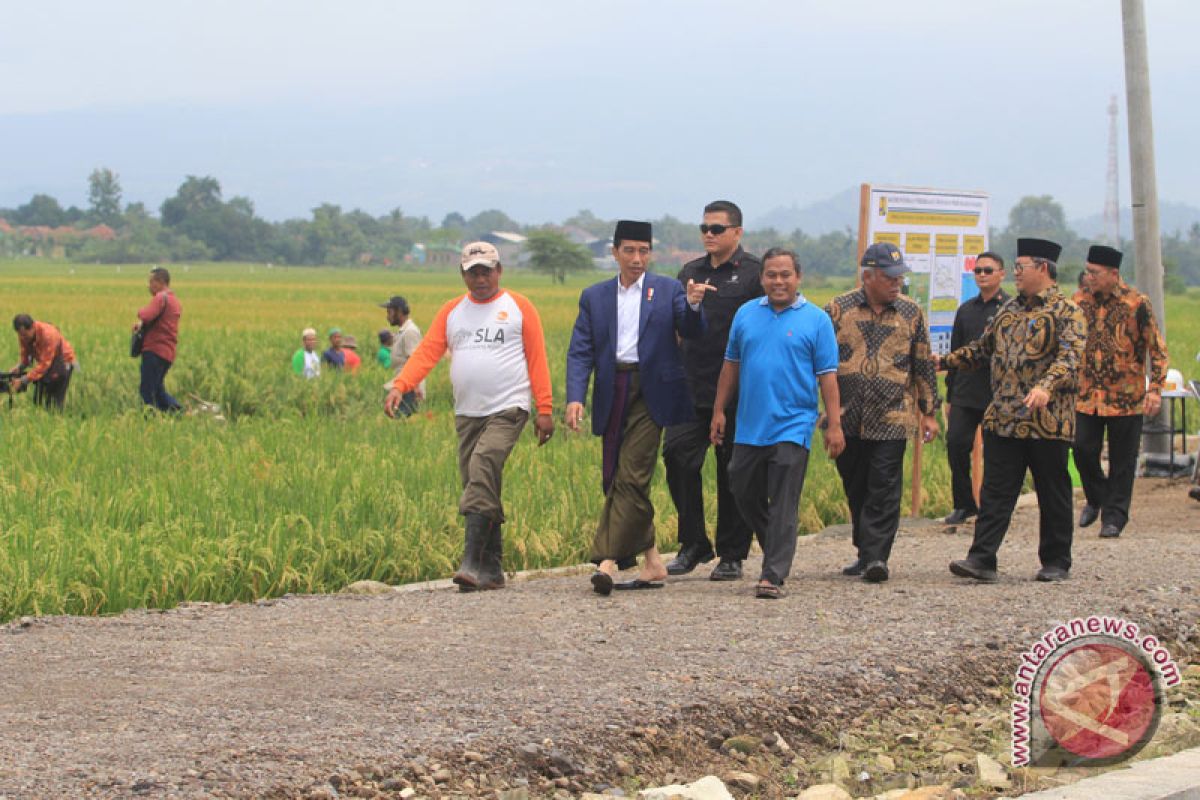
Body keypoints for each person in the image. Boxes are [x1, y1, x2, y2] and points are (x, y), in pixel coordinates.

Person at [385, 241, 554, 591]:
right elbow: (427, 352)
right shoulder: (452, 312)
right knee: (478, 482)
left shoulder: (518, 307)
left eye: (486, 271)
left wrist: (545, 408)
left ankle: (470, 561)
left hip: (509, 407)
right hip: (467, 412)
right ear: (462, 274)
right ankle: (492, 569)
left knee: (482, 468)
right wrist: (401, 385)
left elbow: (537, 358)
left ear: (499, 271)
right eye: (473, 272)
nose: (480, 278)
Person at [565, 220, 709, 595]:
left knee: (632, 474)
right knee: (614, 475)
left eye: (644, 251)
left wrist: (693, 305)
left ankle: (608, 561)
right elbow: (580, 350)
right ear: (614, 253)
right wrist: (576, 396)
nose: (637, 258)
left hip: (652, 391)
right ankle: (652, 561)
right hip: (613, 387)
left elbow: (691, 330)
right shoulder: (594, 296)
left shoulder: (667, 290)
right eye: (629, 250)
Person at [944, 238, 1086, 583]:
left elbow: (1071, 357)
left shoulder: (1067, 312)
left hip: (1047, 422)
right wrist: (944, 361)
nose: (1017, 274)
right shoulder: (1008, 311)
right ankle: (982, 559)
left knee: (1052, 491)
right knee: (995, 492)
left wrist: (1045, 387)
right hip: (1004, 419)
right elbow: (982, 349)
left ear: (1042, 268)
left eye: (1020, 267)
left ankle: (1055, 561)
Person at [710, 248, 842, 598]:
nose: (778, 281)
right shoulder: (746, 314)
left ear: (798, 278)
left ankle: (773, 575)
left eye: (785, 274)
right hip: (750, 424)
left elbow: (828, 376)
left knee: (784, 498)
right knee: (740, 484)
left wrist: (834, 423)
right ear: (762, 278)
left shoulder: (816, 320)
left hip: (794, 423)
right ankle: (777, 544)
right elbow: (730, 366)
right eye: (771, 274)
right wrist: (719, 410)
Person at [825, 242, 940, 583]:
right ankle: (865, 551)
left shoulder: (911, 312)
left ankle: (877, 557)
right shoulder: (836, 309)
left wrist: (928, 411)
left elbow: (923, 363)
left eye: (900, 277)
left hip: (893, 416)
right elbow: (817, 362)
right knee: (856, 484)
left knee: (884, 486)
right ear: (868, 276)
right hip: (847, 417)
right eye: (889, 278)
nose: (896, 284)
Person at [664, 200, 763, 581]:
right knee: (677, 457)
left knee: (733, 472)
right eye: (704, 227)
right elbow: (676, 323)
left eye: (717, 228)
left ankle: (732, 552)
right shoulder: (690, 271)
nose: (709, 234)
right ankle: (693, 543)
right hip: (691, 386)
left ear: (737, 233)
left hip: (738, 391)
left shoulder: (753, 274)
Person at [1073, 244, 1168, 538]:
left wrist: (1155, 389)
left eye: (1095, 273)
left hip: (1125, 398)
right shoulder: (1078, 302)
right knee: (1082, 449)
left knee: (1122, 460)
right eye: (1087, 272)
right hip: (1086, 396)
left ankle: (1114, 517)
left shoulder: (1136, 303)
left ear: (1113, 274)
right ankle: (1097, 496)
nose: (1089, 278)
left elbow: (1158, 350)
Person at [943, 252, 1009, 524]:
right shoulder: (966, 310)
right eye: (978, 270)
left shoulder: (1009, 309)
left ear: (1001, 274)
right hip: (965, 392)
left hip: (996, 394)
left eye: (988, 270)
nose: (982, 275)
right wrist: (950, 394)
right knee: (956, 445)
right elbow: (954, 353)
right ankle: (964, 504)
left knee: (997, 455)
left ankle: (992, 507)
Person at [134, 266, 182, 412]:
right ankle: (175, 415)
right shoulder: (175, 300)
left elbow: (146, 315)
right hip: (167, 352)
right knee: (158, 390)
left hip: (155, 350)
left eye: (151, 282)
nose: (149, 286)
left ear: (160, 282)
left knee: (147, 391)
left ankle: (152, 418)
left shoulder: (161, 297)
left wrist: (140, 312)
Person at [10, 314, 77, 410]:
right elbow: (26, 358)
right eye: (20, 335)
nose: (22, 338)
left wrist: (23, 380)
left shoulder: (48, 335)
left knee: (53, 401)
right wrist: (19, 368)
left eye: (24, 334)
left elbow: (44, 365)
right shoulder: (23, 336)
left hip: (63, 361)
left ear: (32, 327)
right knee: (38, 400)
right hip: (47, 362)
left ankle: (56, 418)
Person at [380, 295, 424, 415]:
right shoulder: (402, 331)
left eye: (389, 312)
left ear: (399, 312)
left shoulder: (410, 332)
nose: (387, 316)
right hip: (402, 385)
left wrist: (415, 388)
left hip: (409, 389)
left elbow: (414, 361)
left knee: (403, 420)